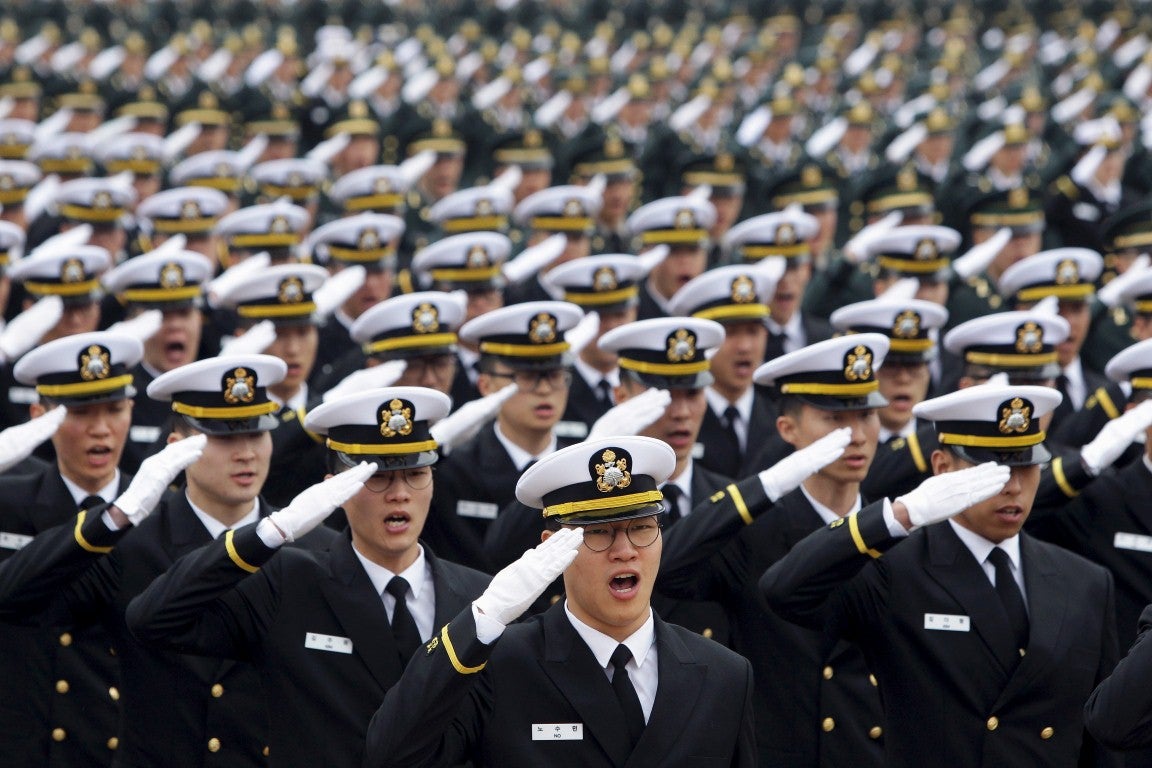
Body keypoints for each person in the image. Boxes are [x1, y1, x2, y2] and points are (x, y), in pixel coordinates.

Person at [125, 386, 491, 768]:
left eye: (416, 474)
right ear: (335, 487)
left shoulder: (479, 596)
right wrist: (267, 534)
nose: (400, 494)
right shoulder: (289, 583)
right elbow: (152, 619)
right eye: (377, 477)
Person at [0, 353, 337, 767]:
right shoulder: (133, 544)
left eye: (257, 433)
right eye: (224, 438)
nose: (247, 453)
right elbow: (13, 598)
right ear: (178, 447)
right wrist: (115, 518)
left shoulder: (315, 549)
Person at [761, 381, 1120, 767]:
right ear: (942, 467)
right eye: (993, 469)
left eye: (1025, 466)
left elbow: (1102, 734)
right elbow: (784, 591)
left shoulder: (1084, 582)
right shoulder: (895, 571)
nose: (1013, 486)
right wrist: (896, 517)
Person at [363, 435, 757, 767]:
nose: (625, 551)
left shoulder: (724, 675)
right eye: (599, 533)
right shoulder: (501, 666)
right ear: (553, 548)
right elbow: (392, 755)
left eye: (641, 528)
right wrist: (482, 619)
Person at [657, 333, 891, 767]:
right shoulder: (755, 533)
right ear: (787, 429)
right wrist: (765, 486)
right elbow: (667, 568)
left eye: (866, 415)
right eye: (834, 418)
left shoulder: (894, 531)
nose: (856, 435)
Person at [0, 330, 140, 767]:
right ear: (39, 416)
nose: (101, 429)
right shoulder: (7, 503)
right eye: (80, 412)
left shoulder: (156, 512)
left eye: (114, 409)